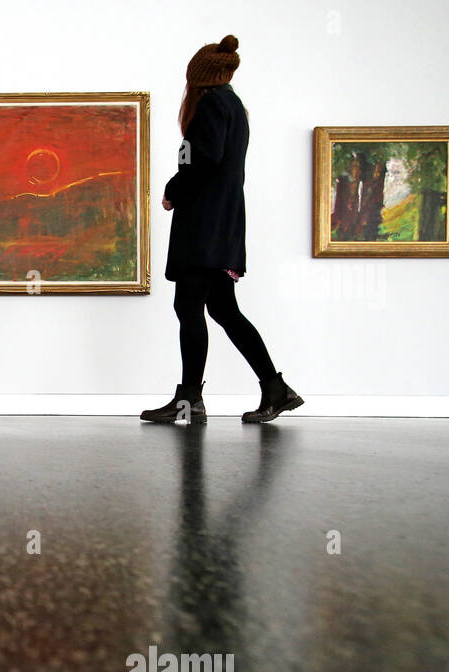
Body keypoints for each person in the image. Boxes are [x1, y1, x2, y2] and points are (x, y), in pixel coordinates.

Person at [141, 34, 304, 424]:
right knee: (223, 309)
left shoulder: (212, 105)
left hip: (205, 227)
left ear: (199, 78)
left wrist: (172, 190)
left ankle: (190, 402)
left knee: (189, 305)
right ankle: (274, 389)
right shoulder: (233, 106)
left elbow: (202, 160)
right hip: (221, 223)